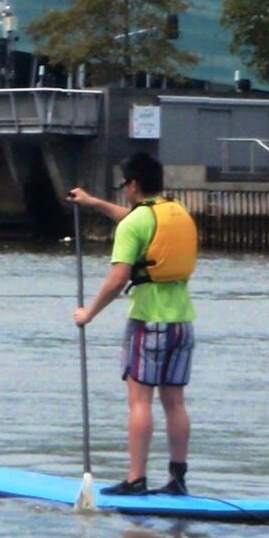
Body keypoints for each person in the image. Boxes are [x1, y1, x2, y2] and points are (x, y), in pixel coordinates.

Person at [66, 151, 199, 496]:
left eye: (124, 184)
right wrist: (94, 202)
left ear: (134, 184)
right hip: (183, 322)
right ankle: (177, 479)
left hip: (148, 320)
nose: (123, 190)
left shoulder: (135, 223)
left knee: (140, 401)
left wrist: (88, 313)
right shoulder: (177, 211)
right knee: (175, 401)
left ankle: (136, 478)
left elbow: (117, 278)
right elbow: (136, 221)